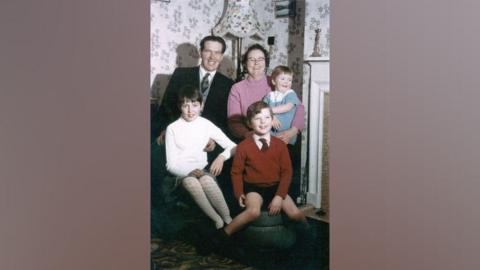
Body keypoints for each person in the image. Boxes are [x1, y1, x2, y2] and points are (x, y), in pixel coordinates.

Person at [217, 101, 308, 240]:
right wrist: (239, 192)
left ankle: (310, 236)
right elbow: (236, 172)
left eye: (266, 118)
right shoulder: (243, 146)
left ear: (272, 120)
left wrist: (279, 196)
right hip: (254, 188)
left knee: (295, 214)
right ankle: (222, 235)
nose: (263, 122)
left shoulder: (280, 145)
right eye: (258, 118)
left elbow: (287, 173)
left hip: (276, 186)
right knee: (253, 212)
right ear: (249, 123)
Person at [227, 44, 304, 200]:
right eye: (251, 59)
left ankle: (286, 203)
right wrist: (252, 136)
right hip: (252, 138)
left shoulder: (276, 81)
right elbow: (233, 121)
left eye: (260, 59)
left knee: (288, 159)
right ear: (244, 63)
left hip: (283, 137)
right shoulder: (237, 88)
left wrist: (292, 131)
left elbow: (299, 108)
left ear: (266, 62)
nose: (256, 63)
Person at [165, 85, 236, 229]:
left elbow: (234, 146)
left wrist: (221, 157)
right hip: (181, 176)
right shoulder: (172, 128)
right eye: (186, 105)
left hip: (203, 172)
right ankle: (217, 220)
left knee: (206, 180)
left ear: (201, 105)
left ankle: (228, 220)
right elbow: (171, 165)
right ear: (180, 107)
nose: (190, 110)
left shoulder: (205, 124)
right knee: (192, 181)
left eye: (195, 105)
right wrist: (189, 173)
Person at [262, 65, 301, 145]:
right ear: (273, 81)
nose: (286, 82)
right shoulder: (269, 96)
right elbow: (261, 110)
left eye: (289, 80)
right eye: (283, 79)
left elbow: (287, 107)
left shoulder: (290, 94)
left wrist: (269, 111)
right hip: (270, 136)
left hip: (286, 137)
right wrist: (272, 117)